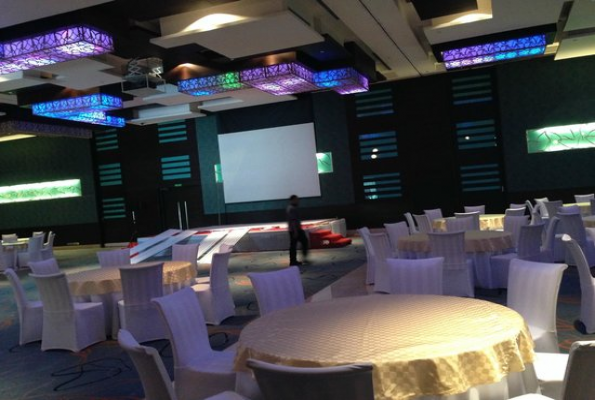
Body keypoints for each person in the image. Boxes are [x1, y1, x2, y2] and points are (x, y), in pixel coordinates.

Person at [287, 195, 309, 266]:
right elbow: (293, 220)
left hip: (295, 229)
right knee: (296, 244)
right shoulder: (292, 209)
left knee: (296, 244)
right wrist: (296, 231)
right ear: (292, 200)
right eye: (296, 200)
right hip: (295, 230)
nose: (298, 201)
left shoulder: (292, 208)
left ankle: (294, 260)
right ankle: (294, 261)